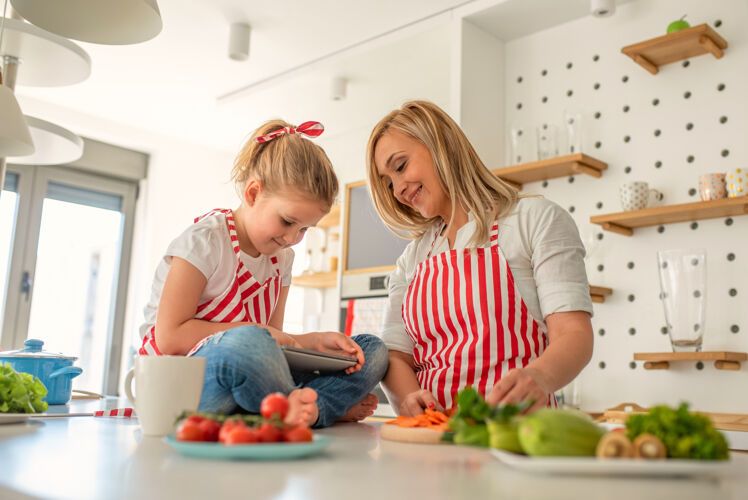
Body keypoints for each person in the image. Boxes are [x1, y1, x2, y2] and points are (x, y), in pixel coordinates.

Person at [138, 120, 388, 427]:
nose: (293, 238)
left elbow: (274, 346)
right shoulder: (204, 241)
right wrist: (252, 333)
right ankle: (317, 406)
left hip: (252, 378)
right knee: (248, 344)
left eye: (305, 228)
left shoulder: (283, 258)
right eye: (287, 221)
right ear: (254, 193)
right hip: (186, 384)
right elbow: (170, 338)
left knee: (372, 351)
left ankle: (309, 409)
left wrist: (311, 342)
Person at [366, 100, 593, 416]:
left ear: (441, 145)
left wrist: (539, 378)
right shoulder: (412, 257)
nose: (398, 189)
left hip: (517, 431)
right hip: (436, 438)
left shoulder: (535, 219)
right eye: (388, 182)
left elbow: (574, 335)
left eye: (401, 166)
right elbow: (396, 356)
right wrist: (410, 399)